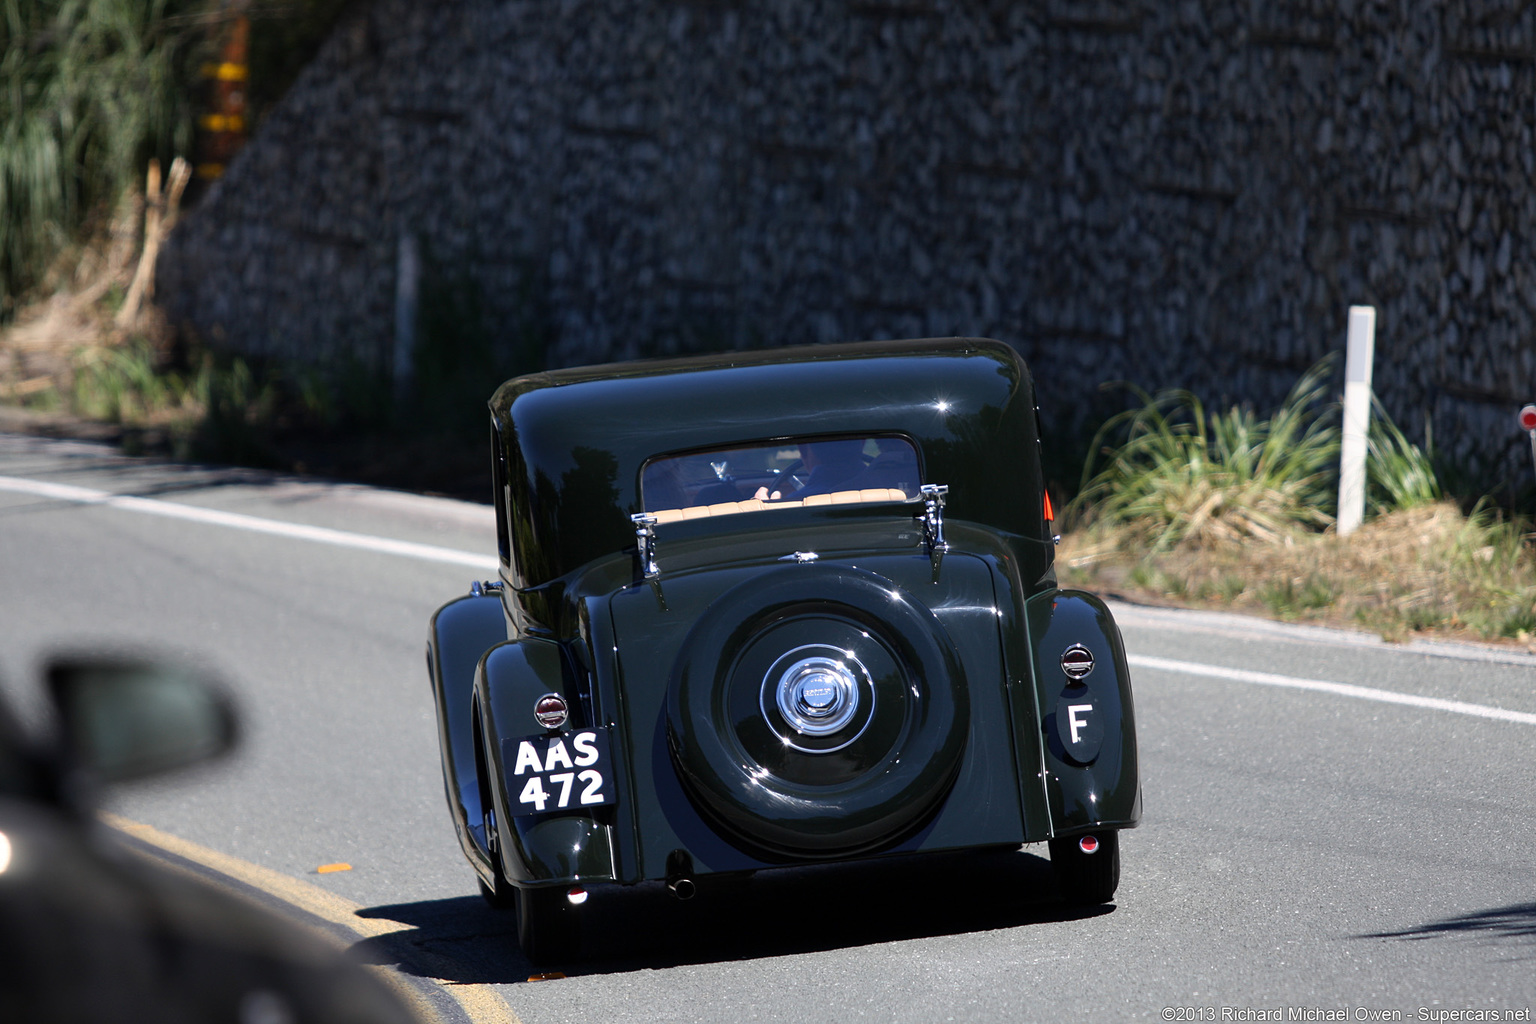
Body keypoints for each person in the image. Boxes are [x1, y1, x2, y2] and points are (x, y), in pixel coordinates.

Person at [754, 439, 867, 501]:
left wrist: (761, 507)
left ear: (802, 450)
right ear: (863, 442)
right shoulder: (883, 488)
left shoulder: (789, 506)